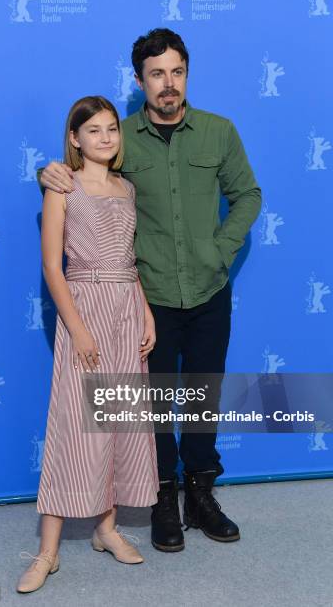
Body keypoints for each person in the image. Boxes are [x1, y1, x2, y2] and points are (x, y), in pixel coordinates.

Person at [37, 28, 262, 553]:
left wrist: (220, 249)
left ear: (187, 75)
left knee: (202, 396)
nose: (169, 84)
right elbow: (79, 174)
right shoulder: (120, 136)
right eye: (157, 74)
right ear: (139, 80)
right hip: (148, 300)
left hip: (208, 289)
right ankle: (161, 498)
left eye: (177, 72)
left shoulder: (218, 131)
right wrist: (45, 174)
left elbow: (248, 195)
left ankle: (201, 494)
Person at [17, 96, 159, 594]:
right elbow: (53, 267)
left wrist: (144, 311)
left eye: (112, 129)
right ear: (74, 138)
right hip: (85, 310)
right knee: (74, 430)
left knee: (117, 423)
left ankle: (105, 529)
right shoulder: (62, 186)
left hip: (125, 310)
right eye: (93, 130)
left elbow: (131, 260)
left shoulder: (127, 188)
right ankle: (48, 552)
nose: (105, 138)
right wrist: (77, 329)